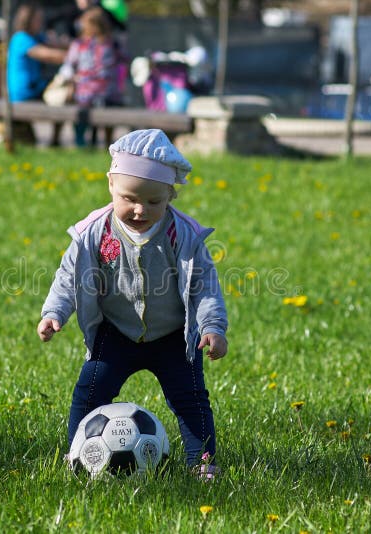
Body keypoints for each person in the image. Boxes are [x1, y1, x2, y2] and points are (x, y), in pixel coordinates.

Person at [37, 129, 228, 477]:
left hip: (172, 337)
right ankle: (78, 453)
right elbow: (69, 275)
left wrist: (213, 327)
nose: (140, 209)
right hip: (116, 332)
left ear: (170, 194)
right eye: (130, 198)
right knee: (91, 390)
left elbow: (205, 285)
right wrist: (54, 312)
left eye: (154, 202)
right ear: (110, 184)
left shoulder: (182, 234)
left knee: (191, 402)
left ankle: (201, 464)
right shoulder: (94, 231)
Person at [59, 6, 122, 146]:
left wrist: (72, 77)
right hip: (108, 94)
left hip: (86, 94)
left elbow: (68, 65)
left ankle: (80, 140)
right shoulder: (113, 43)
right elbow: (124, 61)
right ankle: (107, 142)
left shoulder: (80, 44)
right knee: (110, 109)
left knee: (80, 109)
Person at [7, 3, 67, 103]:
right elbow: (49, 56)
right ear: (28, 20)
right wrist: (78, 56)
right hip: (24, 97)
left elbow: (57, 42)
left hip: (36, 90)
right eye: (38, 20)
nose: (41, 23)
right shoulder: (21, 38)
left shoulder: (36, 36)